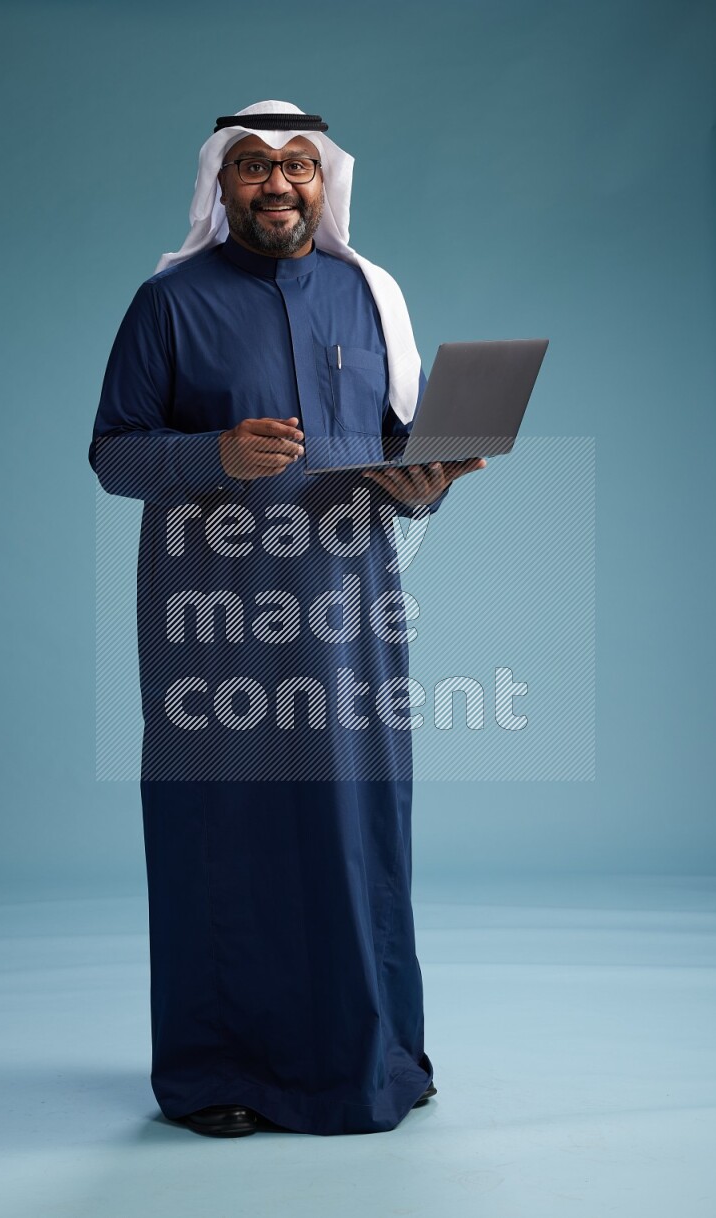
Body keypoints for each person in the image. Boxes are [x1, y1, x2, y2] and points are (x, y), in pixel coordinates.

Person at [88, 100, 485, 1138]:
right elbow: (115, 451)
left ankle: (380, 1054)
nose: (278, 185)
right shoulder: (169, 303)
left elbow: (397, 450)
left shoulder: (366, 296)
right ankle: (219, 1071)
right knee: (225, 835)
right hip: (210, 619)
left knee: (358, 833)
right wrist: (209, 456)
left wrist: (425, 486)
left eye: (298, 167)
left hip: (351, 608)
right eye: (255, 167)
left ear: (326, 183)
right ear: (220, 185)